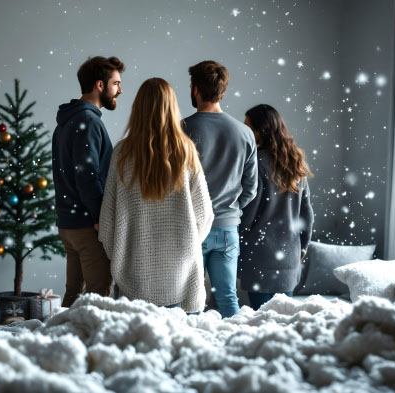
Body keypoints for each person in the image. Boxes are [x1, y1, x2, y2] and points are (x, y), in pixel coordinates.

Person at [98, 78, 214, 314]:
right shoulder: (186, 151)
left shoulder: (122, 152)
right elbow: (205, 215)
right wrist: (186, 244)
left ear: (138, 108)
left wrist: (124, 257)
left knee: (137, 347)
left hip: (135, 275)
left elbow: (108, 222)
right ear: (172, 107)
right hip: (180, 275)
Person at [183, 60, 258, 318]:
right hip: (228, 228)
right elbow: (251, 188)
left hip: (192, 227)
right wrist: (231, 210)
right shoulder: (245, 134)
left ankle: (187, 352)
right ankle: (235, 352)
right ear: (223, 91)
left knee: (189, 299)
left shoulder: (182, 130)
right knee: (227, 297)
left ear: (194, 88)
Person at [52, 56, 124, 307]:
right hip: (86, 226)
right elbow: (88, 175)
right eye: (116, 83)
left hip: (69, 223)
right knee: (99, 297)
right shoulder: (89, 121)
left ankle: (57, 344)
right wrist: (99, 217)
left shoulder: (66, 120)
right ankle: (91, 346)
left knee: (73, 295)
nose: (120, 90)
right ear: (100, 85)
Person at [239, 104, 314, 311]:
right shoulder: (296, 164)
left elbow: (248, 215)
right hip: (289, 258)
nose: (245, 132)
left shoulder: (255, 164)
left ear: (261, 131)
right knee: (284, 322)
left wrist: (235, 240)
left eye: (248, 128)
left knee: (261, 322)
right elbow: (307, 215)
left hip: (259, 258)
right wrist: (303, 246)